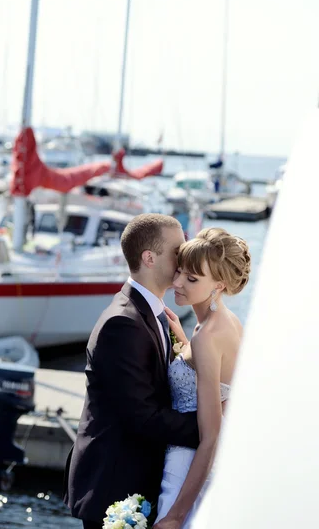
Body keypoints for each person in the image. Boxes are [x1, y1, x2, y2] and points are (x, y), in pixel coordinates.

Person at [63, 213, 201, 529]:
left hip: (139, 479)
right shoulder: (122, 322)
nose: (185, 259)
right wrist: (211, 432)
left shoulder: (153, 314)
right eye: (178, 251)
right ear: (149, 258)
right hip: (116, 487)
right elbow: (143, 416)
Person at [153, 227, 251, 529]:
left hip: (186, 470)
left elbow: (211, 436)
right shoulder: (225, 322)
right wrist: (184, 345)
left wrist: (176, 516)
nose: (177, 283)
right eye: (179, 271)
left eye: (192, 279)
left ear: (219, 285)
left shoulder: (208, 337)